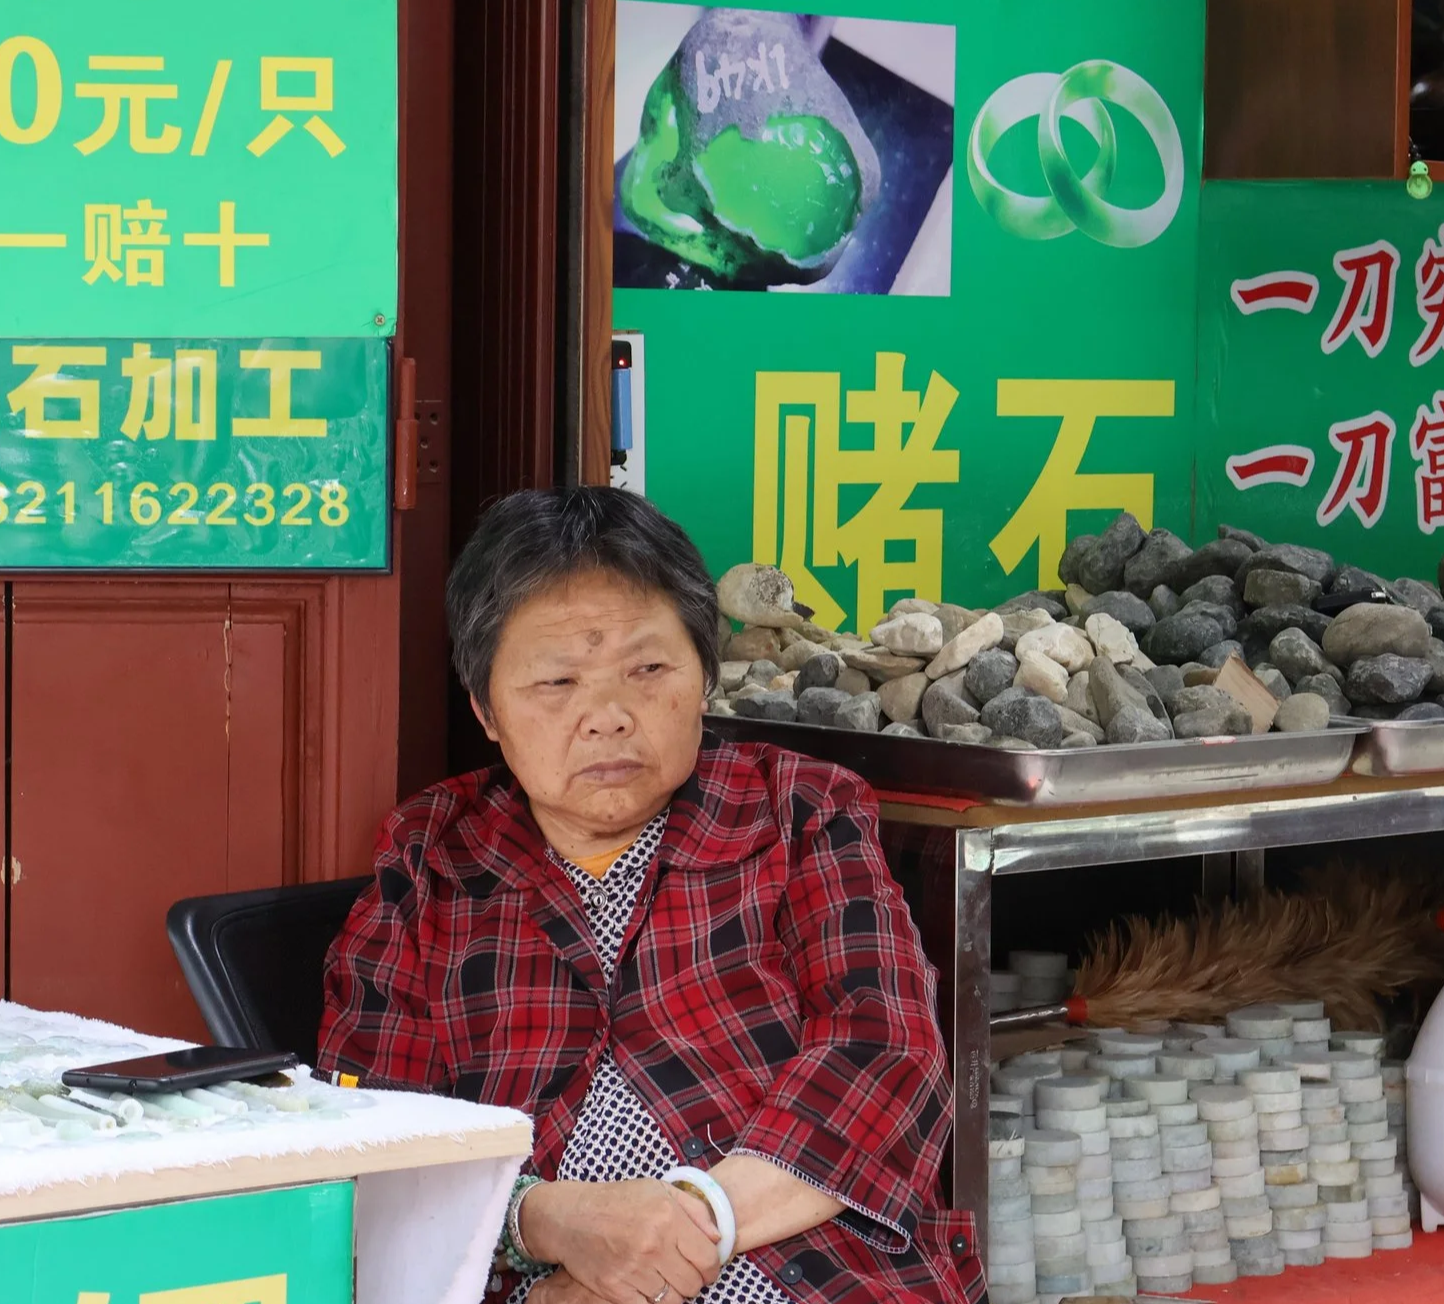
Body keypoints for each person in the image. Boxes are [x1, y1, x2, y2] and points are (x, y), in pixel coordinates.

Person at [318, 486, 980, 1304]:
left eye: (648, 669)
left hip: (805, 1273)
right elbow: (370, 1148)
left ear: (704, 675)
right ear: (487, 709)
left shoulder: (799, 811)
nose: (608, 717)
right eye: (557, 681)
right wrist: (541, 1223)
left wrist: (690, 1225)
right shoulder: (429, 860)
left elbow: (886, 1052)